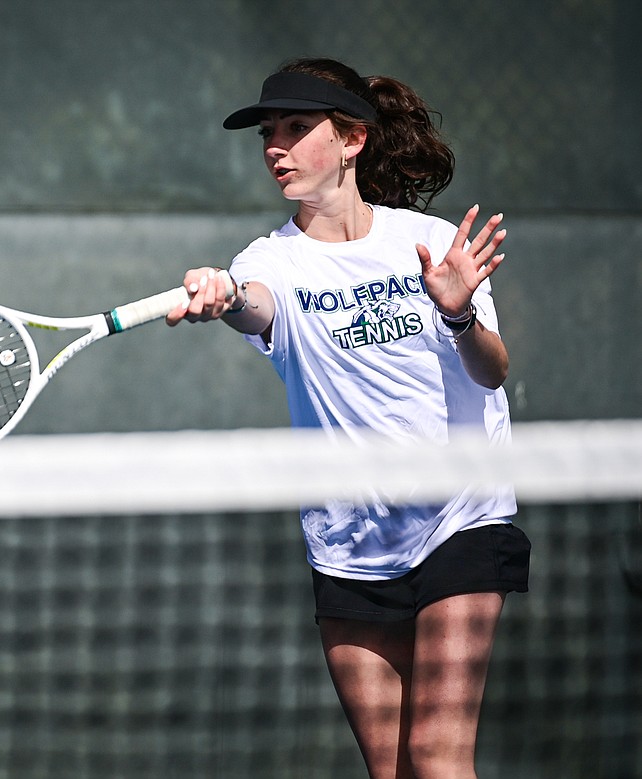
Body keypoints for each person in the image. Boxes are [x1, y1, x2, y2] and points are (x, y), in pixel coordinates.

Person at [167, 58, 531, 779]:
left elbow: (493, 368)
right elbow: (256, 300)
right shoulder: (270, 261)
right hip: (350, 540)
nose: (277, 146)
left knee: (436, 755)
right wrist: (224, 292)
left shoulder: (427, 242)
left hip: (462, 515)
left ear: (352, 140)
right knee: (393, 770)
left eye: (298, 128)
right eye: (270, 132)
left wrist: (456, 311)